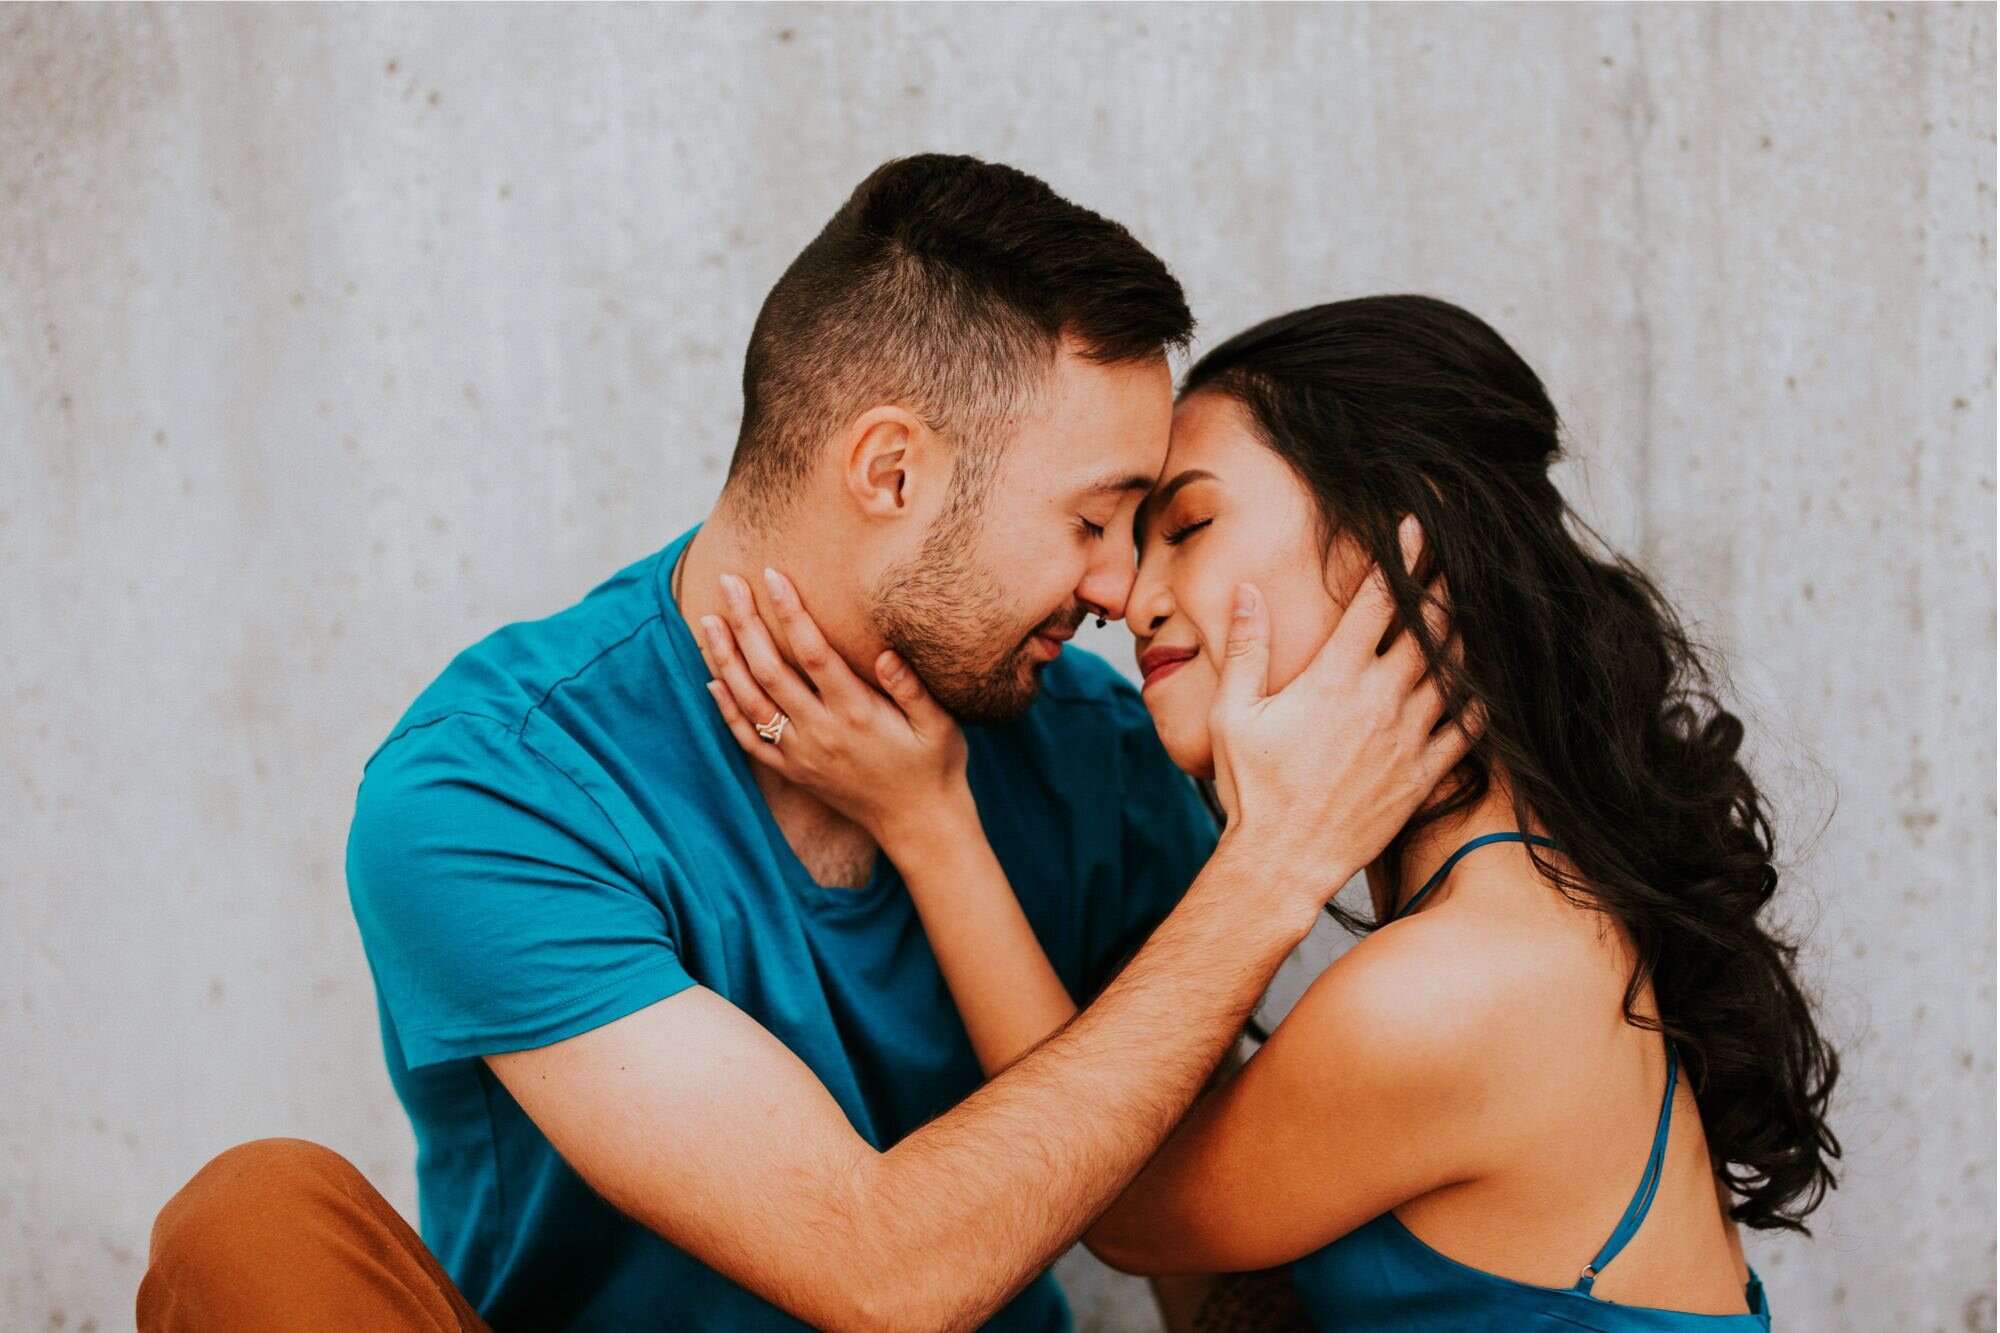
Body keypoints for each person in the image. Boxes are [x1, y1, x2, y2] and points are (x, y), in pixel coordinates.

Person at [138, 160, 1473, 1332]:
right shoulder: (495, 787)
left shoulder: (1092, 752)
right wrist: (1275, 864)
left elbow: (1198, 1221)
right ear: (891, 472)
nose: (1122, 590)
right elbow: (877, 1272)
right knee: (253, 1219)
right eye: (1093, 519)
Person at [701, 295, 1843, 1331]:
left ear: (1412, 540)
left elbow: (1114, 1201)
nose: (1130, 598)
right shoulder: (1526, 911)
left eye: (1185, 528)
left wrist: (932, 821)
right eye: (1127, 540)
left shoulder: (1453, 986)